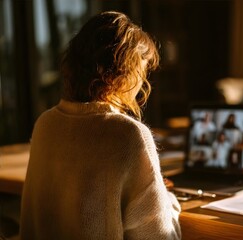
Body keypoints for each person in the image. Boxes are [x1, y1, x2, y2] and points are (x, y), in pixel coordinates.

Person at [20, 11, 181, 239]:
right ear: (125, 72)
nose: (141, 85)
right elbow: (160, 236)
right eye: (141, 71)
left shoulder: (45, 124)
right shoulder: (129, 135)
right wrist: (168, 204)